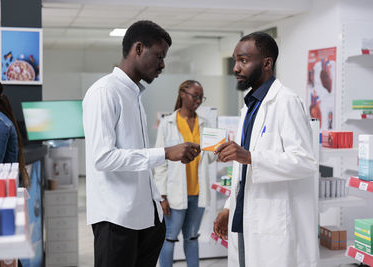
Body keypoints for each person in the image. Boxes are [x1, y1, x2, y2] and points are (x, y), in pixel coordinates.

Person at [82, 20, 201, 267]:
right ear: (138, 49)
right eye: (159, 56)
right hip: (116, 220)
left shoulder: (134, 94)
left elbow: (135, 155)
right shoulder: (104, 92)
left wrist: (156, 200)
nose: (163, 65)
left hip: (146, 218)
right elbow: (103, 158)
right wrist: (165, 153)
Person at [213, 32, 318, 267]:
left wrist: (250, 156)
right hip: (244, 219)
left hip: (272, 224)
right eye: (235, 61)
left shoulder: (286, 101)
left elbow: (304, 161)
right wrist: (230, 207)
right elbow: (244, 171)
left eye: (243, 60)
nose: (236, 68)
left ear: (267, 63)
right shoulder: (250, 105)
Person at [154, 80, 215, 267]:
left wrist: (219, 148)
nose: (198, 101)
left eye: (201, 97)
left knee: (191, 237)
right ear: (182, 94)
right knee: (170, 238)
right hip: (174, 194)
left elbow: (210, 158)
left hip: (198, 192)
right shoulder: (167, 123)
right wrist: (161, 196)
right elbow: (159, 162)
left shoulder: (205, 123)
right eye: (195, 96)